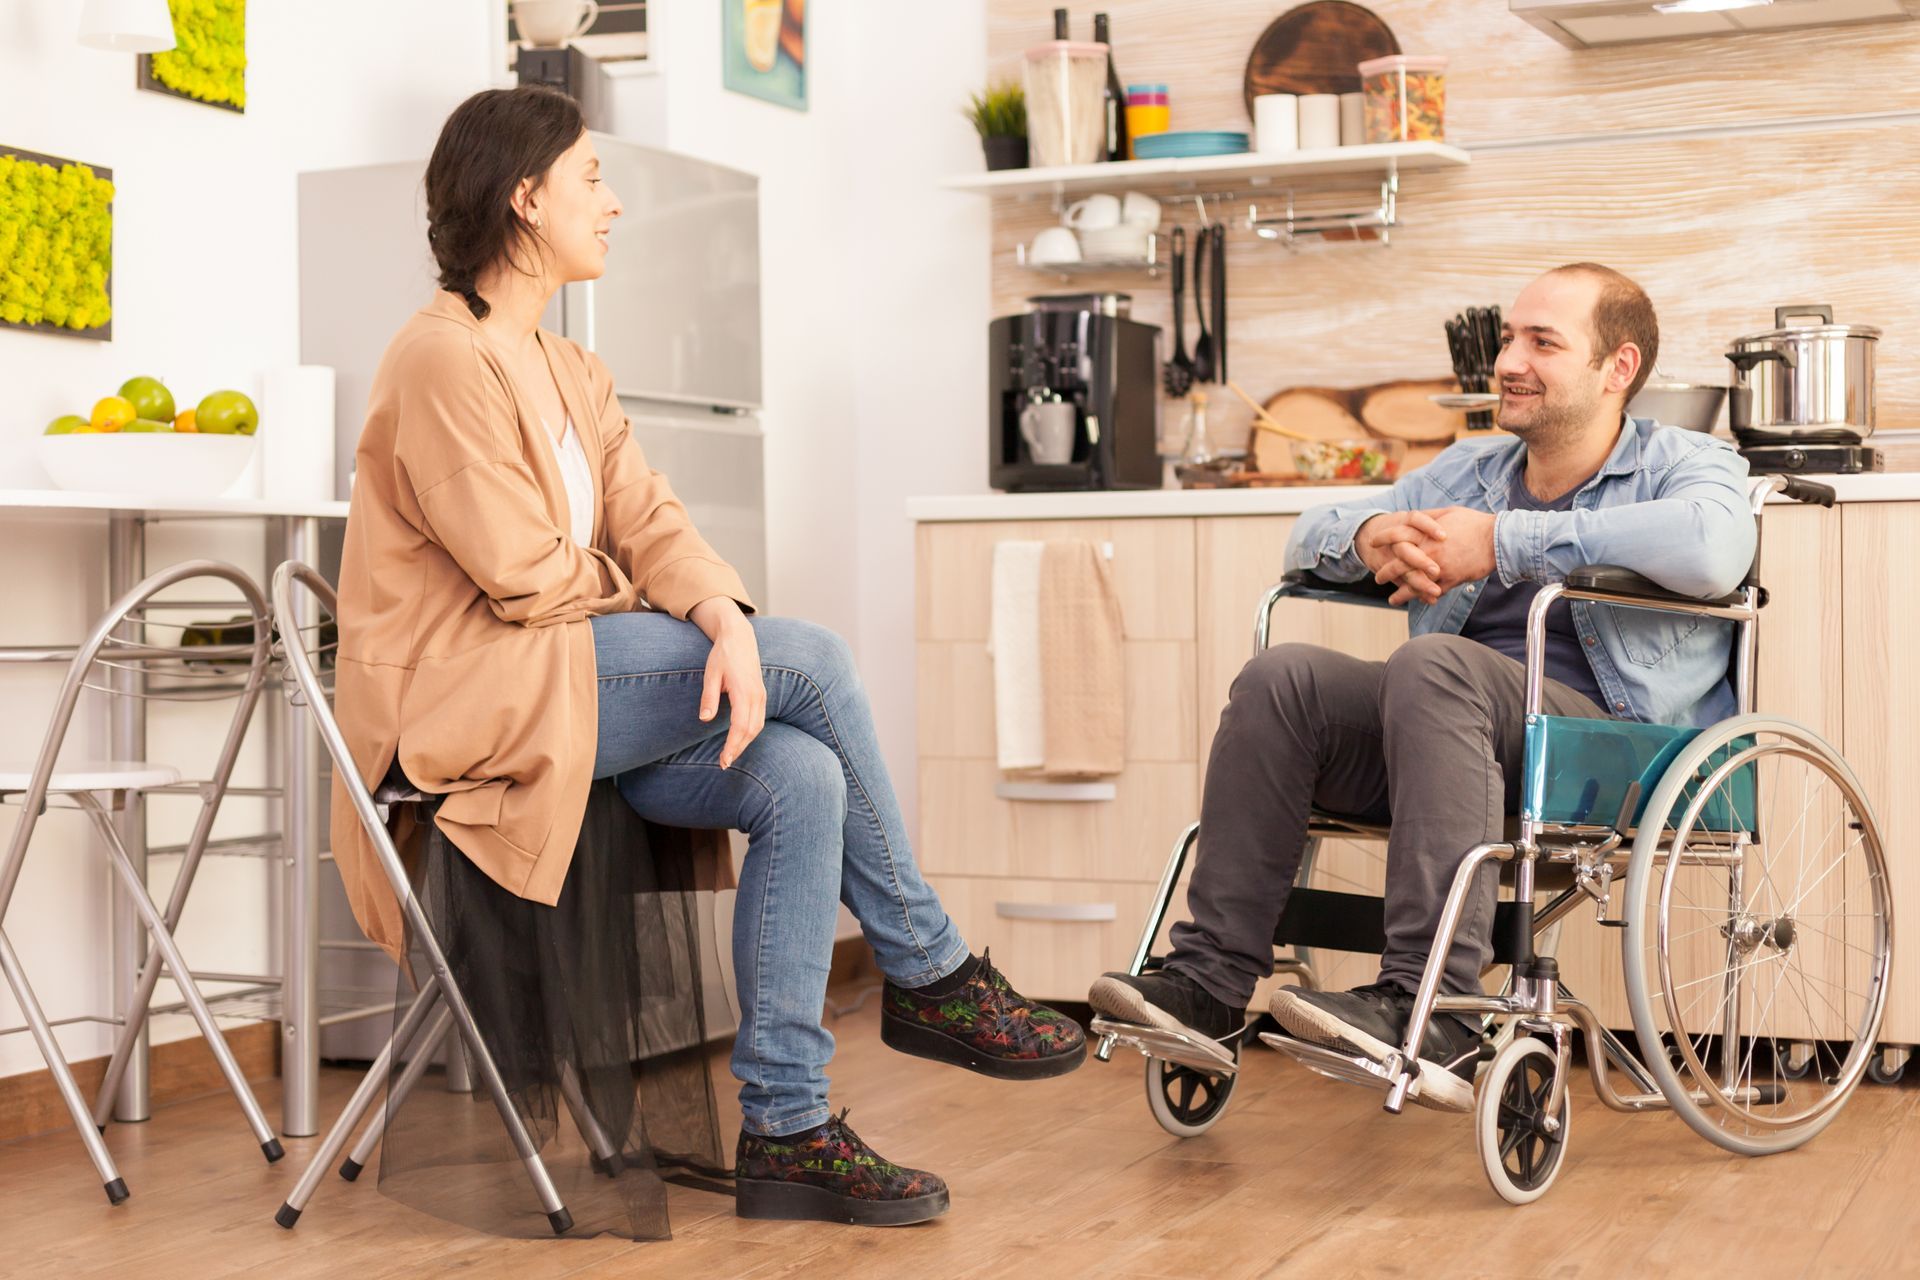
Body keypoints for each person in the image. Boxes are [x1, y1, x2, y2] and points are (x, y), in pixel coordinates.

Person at [331, 85, 1083, 1228]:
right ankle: (928, 971)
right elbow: (524, 574)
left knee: (802, 774)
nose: (614, 202)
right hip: (472, 709)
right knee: (816, 659)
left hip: (573, 691)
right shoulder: (438, 359)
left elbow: (651, 516)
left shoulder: (569, 367)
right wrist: (690, 617)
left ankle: (789, 1129)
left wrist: (720, 613)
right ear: (525, 199)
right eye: (591, 178)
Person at [1088, 263, 1756, 1112]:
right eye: (1510, 337)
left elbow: (1710, 551)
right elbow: (1308, 531)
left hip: (1605, 750)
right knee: (1282, 677)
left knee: (1431, 667)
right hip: (1445, 733)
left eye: (1543, 342)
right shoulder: (1468, 469)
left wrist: (1505, 544)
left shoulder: (1686, 462)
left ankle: (1428, 1001)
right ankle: (1208, 987)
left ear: (1617, 368)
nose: (1509, 360)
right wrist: (1368, 535)